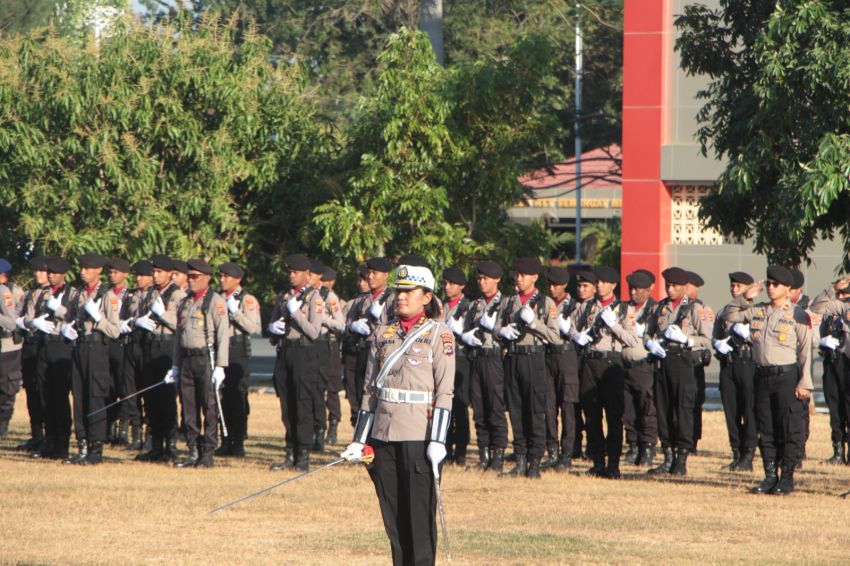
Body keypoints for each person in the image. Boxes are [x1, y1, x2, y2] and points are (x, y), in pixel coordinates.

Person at [341, 264, 454, 566]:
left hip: (419, 436)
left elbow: (445, 393)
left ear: (427, 296)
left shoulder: (439, 335)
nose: (401, 297)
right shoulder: (382, 333)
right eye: (398, 290)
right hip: (383, 437)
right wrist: (359, 439)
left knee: (418, 517)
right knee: (393, 516)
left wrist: (438, 440)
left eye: (409, 291)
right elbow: (369, 392)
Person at [722, 266, 812, 495]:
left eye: (776, 285)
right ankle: (770, 476)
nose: (771, 288)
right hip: (762, 377)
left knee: (788, 430)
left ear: (788, 289)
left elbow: (805, 352)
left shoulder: (797, 315)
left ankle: (787, 478)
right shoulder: (758, 310)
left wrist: (805, 383)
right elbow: (729, 315)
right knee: (766, 429)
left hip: (787, 377)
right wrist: (745, 297)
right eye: (769, 284)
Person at [571, 266, 639, 479]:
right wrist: (577, 336)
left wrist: (615, 326)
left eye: (603, 282)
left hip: (611, 363)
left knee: (614, 415)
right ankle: (598, 461)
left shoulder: (624, 309)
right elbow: (571, 327)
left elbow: (632, 339)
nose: (598, 285)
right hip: (590, 362)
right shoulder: (587, 306)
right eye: (597, 282)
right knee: (591, 415)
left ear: (613, 285)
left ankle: (614, 464)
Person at [643, 267, 712, 476]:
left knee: (682, 410)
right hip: (663, 361)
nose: (670, 289)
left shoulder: (695, 308)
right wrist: (650, 344)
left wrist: (687, 340)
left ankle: (681, 458)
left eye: (674, 286)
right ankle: (668, 456)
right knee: (663, 409)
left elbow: (708, 340)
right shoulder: (660, 308)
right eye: (668, 286)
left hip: (684, 363)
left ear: (684, 287)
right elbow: (648, 332)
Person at [498, 257, 560, 479]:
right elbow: (497, 329)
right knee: (516, 410)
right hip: (513, 358)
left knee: (534, 411)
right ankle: (520, 458)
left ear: (534, 277)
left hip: (534, 359)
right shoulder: (508, 302)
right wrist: (501, 332)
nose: (518, 278)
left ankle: (535, 461)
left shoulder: (545, 304)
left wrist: (535, 323)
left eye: (523, 275)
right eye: (517, 274)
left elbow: (555, 337)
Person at [268, 254, 325, 471]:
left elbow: (314, 331)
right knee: (287, 405)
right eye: (289, 272)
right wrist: (272, 329)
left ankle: (303, 456)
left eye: (295, 272)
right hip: (285, 353)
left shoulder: (314, 298)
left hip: (305, 355)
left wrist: (297, 313)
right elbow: (273, 324)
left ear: (306, 274)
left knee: (302, 406)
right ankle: (289, 452)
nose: (291, 276)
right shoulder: (284, 296)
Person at [62, 253, 121, 465]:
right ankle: (82, 445)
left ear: (98, 271)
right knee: (79, 396)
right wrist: (67, 329)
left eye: (87, 268)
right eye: (82, 268)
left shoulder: (108, 295)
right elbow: (72, 319)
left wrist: (98, 318)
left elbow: (114, 331)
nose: (82, 271)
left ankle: (96, 447)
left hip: (97, 348)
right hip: (80, 346)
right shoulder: (78, 294)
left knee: (95, 396)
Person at [170, 259, 230, 468]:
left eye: (195, 277)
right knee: (188, 407)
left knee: (209, 406)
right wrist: (175, 364)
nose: (191, 280)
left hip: (206, 359)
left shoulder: (215, 301)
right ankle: (193, 449)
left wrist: (221, 366)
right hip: (187, 359)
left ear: (206, 278)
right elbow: (179, 335)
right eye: (189, 276)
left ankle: (208, 451)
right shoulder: (185, 302)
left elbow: (223, 334)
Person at [135, 254, 185, 462]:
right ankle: (155, 444)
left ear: (170, 274)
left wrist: (162, 314)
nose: (155, 276)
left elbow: (179, 324)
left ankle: (170, 446)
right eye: (153, 272)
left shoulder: (177, 295)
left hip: (167, 346)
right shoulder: (150, 294)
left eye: (159, 272)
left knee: (166, 399)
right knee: (151, 398)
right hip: (150, 345)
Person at [459, 261, 507, 473]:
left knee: (495, 408)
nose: (482, 282)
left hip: (494, 358)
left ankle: (498, 456)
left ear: (497, 280)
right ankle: (483, 454)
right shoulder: (474, 305)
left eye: (486, 278)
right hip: (476, 358)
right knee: (479, 409)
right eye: (479, 278)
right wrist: (464, 337)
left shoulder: (506, 303)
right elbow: (466, 329)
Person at [341, 257, 396, 427]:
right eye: (369, 273)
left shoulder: (393, 298)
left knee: (376, 399)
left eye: (374, 273)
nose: (370, 276)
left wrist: (380, 325)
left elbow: (398, 328)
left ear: (386, 275)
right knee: (357, 396)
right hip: (359, 353)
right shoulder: (361, 300)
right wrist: (352, 327)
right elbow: (345, 326)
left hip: (380, 354)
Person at [215, 261, 261, 457]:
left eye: (227, 277)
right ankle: (225, 438)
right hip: (220, 347)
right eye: (221, 276)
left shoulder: (246, 299)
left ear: (237, 280)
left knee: (238, 395)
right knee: (220, 396)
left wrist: (236, 312)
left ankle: (238, 439)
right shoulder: (216, 297)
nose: (222, 280)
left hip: (237, 349)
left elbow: (254, 328)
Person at [713, 272, 758, 471]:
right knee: (731, 411)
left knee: (748, 411)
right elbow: (714, 336)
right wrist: (717, 343)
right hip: (728, 363)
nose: (734, 289)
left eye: (739, 286)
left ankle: (748, 455)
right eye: (732, 286)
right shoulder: (724, 311)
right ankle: (737, 453)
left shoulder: (758, 311)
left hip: (748, 363)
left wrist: (749, 337)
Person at [543, 266, 579, 470]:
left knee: (568, 406)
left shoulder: (574, 306)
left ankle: (567, 453)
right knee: (548, 406)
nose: (552, 288)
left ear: (564, 285)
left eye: (556, 285)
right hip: (548, 355)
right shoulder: (545, 304)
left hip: (566, 355)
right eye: (549, 284)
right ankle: (552, 451)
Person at [621, 270, 658, 467]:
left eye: (637, 289)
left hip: (644, 365)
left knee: (647, 408)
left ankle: (648, 447)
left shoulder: (654, 309)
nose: (633, 292)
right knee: (628, 409)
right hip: (625, 365)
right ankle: (633, 444)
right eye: (630, 288)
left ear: (646, 290)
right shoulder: (624, 308)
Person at [15, 256, 50, 452]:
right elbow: (17, 316)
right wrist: (24, 323)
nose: (38, 274)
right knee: (31, 391)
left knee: (44, 390)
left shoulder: (53, 295)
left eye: (42, 271)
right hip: (29, 345)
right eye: (36, 271)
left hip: (43, 346)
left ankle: (48, 435)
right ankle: (36, 434)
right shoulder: (28, 294)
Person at [817, 280, 850, 465]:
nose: (840, 299)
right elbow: (817, 305)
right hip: (831, 363)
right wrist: (823, 342)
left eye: (844, 295)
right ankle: (838, 451)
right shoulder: (829, 315)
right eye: (838, 296)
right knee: (835, 409)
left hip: (848, 364)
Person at [441, 266, 471, 466]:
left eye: (452, 283)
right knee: (443, 404)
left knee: (459, 404)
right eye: (445, 283)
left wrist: (461, 332)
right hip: (443, 358)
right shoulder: (440, 306)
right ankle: (445, 445)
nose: (447, 286)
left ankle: (460, 449)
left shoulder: (468, 306)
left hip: (461, 358)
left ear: (462, 286)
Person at [105, 257, 131, 446]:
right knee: (108, 386)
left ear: (125, 274)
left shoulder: (130, 295)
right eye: (110, 272)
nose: (112, 275)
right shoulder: (105, 294)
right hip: (108, 344)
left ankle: (123, 428)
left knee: (123, 387)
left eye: (116, 272)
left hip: (124, 344)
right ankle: (109, 426)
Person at [321, 266, 345, 445]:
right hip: (318, 345)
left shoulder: (332, 299)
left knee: (332, 388)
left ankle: (333, 426)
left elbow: (340, 324)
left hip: (330, 345)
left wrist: (323, 320)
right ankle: (318, 427)